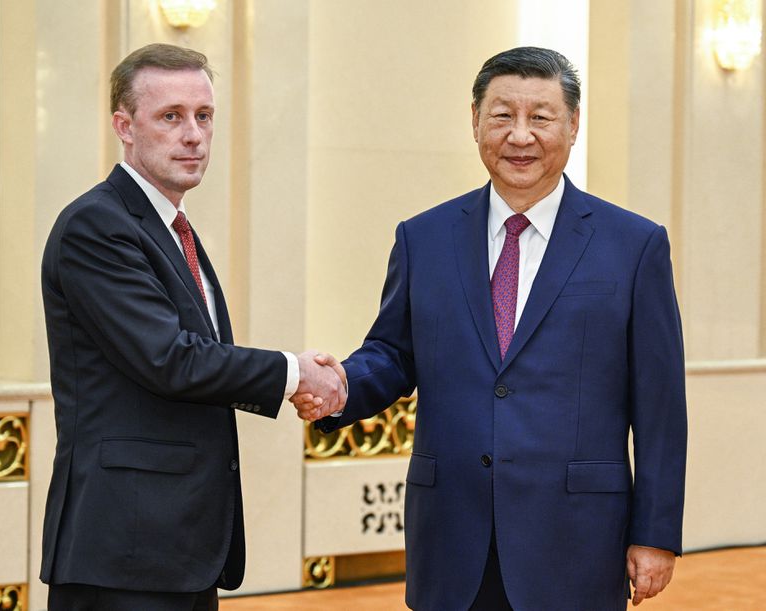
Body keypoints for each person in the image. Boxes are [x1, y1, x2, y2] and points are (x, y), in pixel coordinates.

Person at [294, 46, 687, 611]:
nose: (520, 136)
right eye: (502, 115)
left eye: (541, 117)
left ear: (573, 125)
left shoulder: (634, 246)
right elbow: (392, 353)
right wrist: (342, 387)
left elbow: (661, 407)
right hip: (453, 537)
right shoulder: (422, 238)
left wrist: (655, 533)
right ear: (474, 120)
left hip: (576, 541)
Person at [40, 43, 345, 611]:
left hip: (176, 545)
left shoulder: (171, 226)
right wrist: (293, 372)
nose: (194, 135)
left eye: (204, 116)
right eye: (171, 116)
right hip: (124, 548)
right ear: (124, 127)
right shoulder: (96, 225)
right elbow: (170, 359)